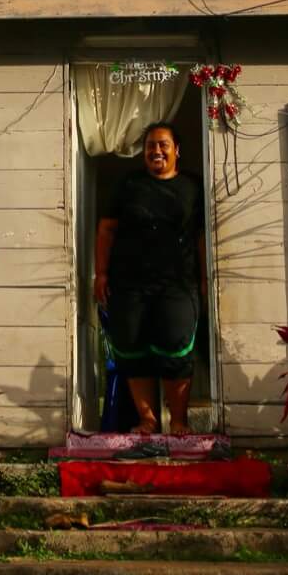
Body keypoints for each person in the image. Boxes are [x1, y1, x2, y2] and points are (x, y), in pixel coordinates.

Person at [92, 121, 204, 436]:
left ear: (177, 151)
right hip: (129, 284)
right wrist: (101, 272)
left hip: (178, 284)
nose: (156, 150)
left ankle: (179, 421)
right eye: (151, 145)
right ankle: (148, 420)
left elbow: (200, 236)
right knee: (132, 348)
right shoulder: (129, 185)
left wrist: (206, 277)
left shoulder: (192, 187)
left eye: (163, 144)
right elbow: (106, 229)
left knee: (176, 347)